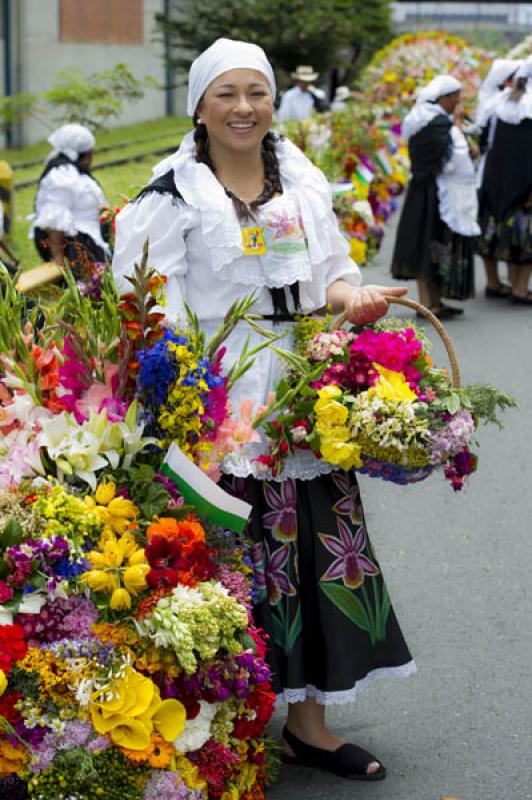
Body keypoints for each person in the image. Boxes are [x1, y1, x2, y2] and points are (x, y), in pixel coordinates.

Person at [113, 37, 414, 782]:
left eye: (257, 92)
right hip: (219, 399)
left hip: (302, 393)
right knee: (227, 562)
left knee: (320, 544)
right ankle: (224, 728)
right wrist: (186, 400)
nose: (245, 108)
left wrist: (356, 297)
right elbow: (147, 311)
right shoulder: (171, 196)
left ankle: (308, 725)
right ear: (199, 106)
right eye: (228, 93)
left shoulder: (302, 179)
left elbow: (332, 275)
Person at [391, 75, 479, 319]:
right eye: (455, 98)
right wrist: (458, 128)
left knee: (423, 243)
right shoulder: (440, 124)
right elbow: (454, 161)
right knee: (433, 243)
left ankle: (430, 300)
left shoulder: (418, 119)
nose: (458, 103)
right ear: (444, 98)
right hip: (436, 193)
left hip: (420, 191)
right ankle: (430, 302)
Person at [477, 58, 532, 304]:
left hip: (493, 177)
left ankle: (494, 282)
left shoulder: (499, 102)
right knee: (523, 234)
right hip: (524, 180)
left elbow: (484, 139)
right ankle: (520, 288)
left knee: (493, 231)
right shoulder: (529, 106)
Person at [31, 123, 110, 271]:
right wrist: (59, 263)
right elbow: (54, 221)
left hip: (88, 244)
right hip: (76, 250)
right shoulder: (62, 175)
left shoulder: (72, 171)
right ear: (86, 153)